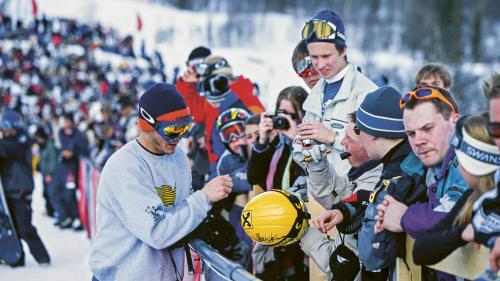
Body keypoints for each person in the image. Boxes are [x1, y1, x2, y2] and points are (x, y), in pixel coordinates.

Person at [89, 83, 233, 281]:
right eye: (173, 129)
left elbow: (178, 211)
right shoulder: (126, 166)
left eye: (185, 127)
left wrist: (206, 221)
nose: (179, 137)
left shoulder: (178, 157)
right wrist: (204, 198)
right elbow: (157, 232)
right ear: (147, 125)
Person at [374, 86, 468, 280]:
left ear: (455, 121)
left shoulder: (470, 160)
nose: (418, 141)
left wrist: (404, 217)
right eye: (411, 134)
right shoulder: (430, 167)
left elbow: (456, 217)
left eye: (427, 128)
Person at [294, 9, 378, 177]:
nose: (320, 64)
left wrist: (333, 137)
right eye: (314, 57)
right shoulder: (315, 96)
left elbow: (375, 151)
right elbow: (297, 151)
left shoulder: (366, 93)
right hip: (320, 192)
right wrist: (307, 153)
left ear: (343, 51)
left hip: (354, 194)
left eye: (326, 56)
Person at [298, 111, 383, 278]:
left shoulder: (376, 180)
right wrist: (317, 165)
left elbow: (347, 268)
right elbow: (333, 196)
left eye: (349, 139)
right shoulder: (361, 174)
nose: (342, 142)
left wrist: (300, 232)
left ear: (370, 143)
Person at [412, 116, 499, 267]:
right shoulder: (471, 198)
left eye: (459, 158)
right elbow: (420, 251)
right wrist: (463, 232)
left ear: (471, 161)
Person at [0, 109, 50, 266]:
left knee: (24, 228)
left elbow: (10, 149)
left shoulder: (23, 141)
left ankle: (42, 257)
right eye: (4, 128)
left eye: (9, 128)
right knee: (11, 229)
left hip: (21, 191)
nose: (7, 131)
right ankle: (16, 258)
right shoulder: (7, 142)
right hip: (7, 192)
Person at [50, 113, 89, 229]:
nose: (66, 124)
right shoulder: (60, 133)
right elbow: (58, 147)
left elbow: (84, 150)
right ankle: (63, 216)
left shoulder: (80, 135)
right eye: (65, 122)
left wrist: (73, 153)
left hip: (72, 168)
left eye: (68, 122)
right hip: (61, 167)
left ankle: (74, 217)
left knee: (70, 193)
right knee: (53, 190)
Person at [35, 126, 58, 217]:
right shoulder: (41, 146)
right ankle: (49, 210)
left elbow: (52, 160)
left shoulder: (49, 145)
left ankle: (53, 211)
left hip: (49, 174)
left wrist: (49, 173)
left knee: (50, 193)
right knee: (45, 193)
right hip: (44, 174)